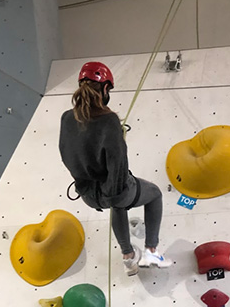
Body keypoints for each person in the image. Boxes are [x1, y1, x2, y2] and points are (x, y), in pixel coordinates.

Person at [59, 61, 172, 276]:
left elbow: (67, 155)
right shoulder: (108, 119)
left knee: (118, 206)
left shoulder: (66, 118)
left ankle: (128, 257)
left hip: (88, 195)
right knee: (155, 194)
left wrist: (90, 188)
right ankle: (151, 251)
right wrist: (114, 194)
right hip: (114, 191)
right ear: (104, 88)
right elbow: (117, 164)